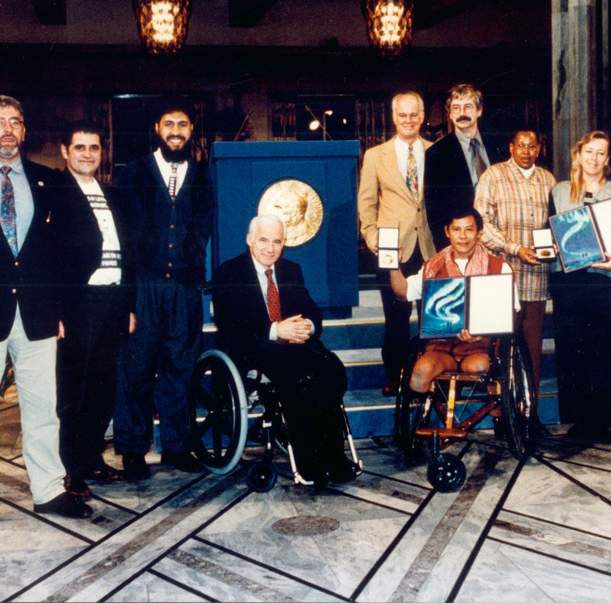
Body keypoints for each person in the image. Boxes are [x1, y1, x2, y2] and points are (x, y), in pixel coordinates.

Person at [0, 95, 91, 522]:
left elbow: (84, 242)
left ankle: (49, 490)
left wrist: (61, 303)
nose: (7, 129)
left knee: (43, 409)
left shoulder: (50, 181)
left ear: (24, 131)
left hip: (39, 316)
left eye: (14, 121)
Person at [210, 215, 360, 485]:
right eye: (263, 240)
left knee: (331, 370)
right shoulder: (229, 272)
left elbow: (311, 310)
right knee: (299, 380)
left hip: (294, 349)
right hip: (254, 350)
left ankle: (334, 456)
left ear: (284, 244)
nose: (270, 249)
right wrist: (275, 330)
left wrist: (307, 326)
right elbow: (230, 325)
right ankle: (310, 462)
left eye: (277, 242)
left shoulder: (291, 270)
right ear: (249, 240)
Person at [113, 99, 213, 479]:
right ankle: (132, 449)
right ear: (157, 128)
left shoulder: (201, 175)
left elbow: (203, 227)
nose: (176, 131)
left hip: (184, 289)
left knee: (180, 368)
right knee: (136, 368)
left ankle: (176, 445)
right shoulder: (134, 172)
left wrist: (191, 269)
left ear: (191, 130)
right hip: (144, 285)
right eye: (169, 123)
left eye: (182, 124)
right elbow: (123, 236)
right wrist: (127, 294)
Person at [54, 121, 136, 498]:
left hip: (112, 300)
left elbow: (128, 253)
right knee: (74, 388)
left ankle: (90, 459)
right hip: (78, 304)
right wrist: (55, 311)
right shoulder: (54, 193)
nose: (87, 154)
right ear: (65, 151)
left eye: (94, 148)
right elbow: (47, 257)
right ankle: (70, 470)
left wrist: (128, 305)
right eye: (80, 147)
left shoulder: (113, 195)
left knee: (103, 387)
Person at [548, 131, 611, 443]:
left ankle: (603, 420)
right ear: (578, 155)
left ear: (607, 159)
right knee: (572, 351)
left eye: (600, 153)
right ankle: (579, 419)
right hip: (569, 282)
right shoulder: (559, 191)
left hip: (606, 282)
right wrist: (550, 247)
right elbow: (549, 233)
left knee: (605, 350)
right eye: (588, 152)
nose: (593, 158)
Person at [357, 91, 436, 396]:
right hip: (393, 250)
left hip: (430, 247)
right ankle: (397, 377)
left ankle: (430, 375)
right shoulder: (375, 155)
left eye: (414, 115)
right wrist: (374, 240)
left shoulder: (436, 151)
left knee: (431, 318)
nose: (408, 120)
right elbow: (366, 205)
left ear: (422, 116)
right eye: (402, 115)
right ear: (393, 118)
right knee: (396, 320)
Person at [390, 208, 515, 394]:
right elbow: (403, 293)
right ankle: (426, 414)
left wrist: (482, 332)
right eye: (456, 229)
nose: (462, 236)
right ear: (447, 231)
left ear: (479, 233)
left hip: (481, 348)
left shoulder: (500, 267)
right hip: (440, 347)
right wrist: (392, 264)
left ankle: (497, 413)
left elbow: (510, 314)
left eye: (469, 229)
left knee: (478, 367)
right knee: (419, 376)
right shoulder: (431, 267)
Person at [474, 129, 555, 397]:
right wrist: (514, 248)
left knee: (532, 351)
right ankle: (500, 409)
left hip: (536, 279)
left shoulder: (548, 179)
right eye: (521, 145)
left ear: (539, 149)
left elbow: (555, 224)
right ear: (511, 147)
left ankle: (530, 410)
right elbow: (481, 223)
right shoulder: (493, 176)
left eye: (532, 146)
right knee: (499, 348)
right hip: (503, 277)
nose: (526, 151)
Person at [424, 83, 508, 251]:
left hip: (501, 240)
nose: (462, 113)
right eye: (456, 108)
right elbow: (434, 210)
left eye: (468, 107)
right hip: (462, 244)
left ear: (479, 110)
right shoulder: (437, 153)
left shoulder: (499, 145)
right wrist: (448, 251)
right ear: (450, 114)